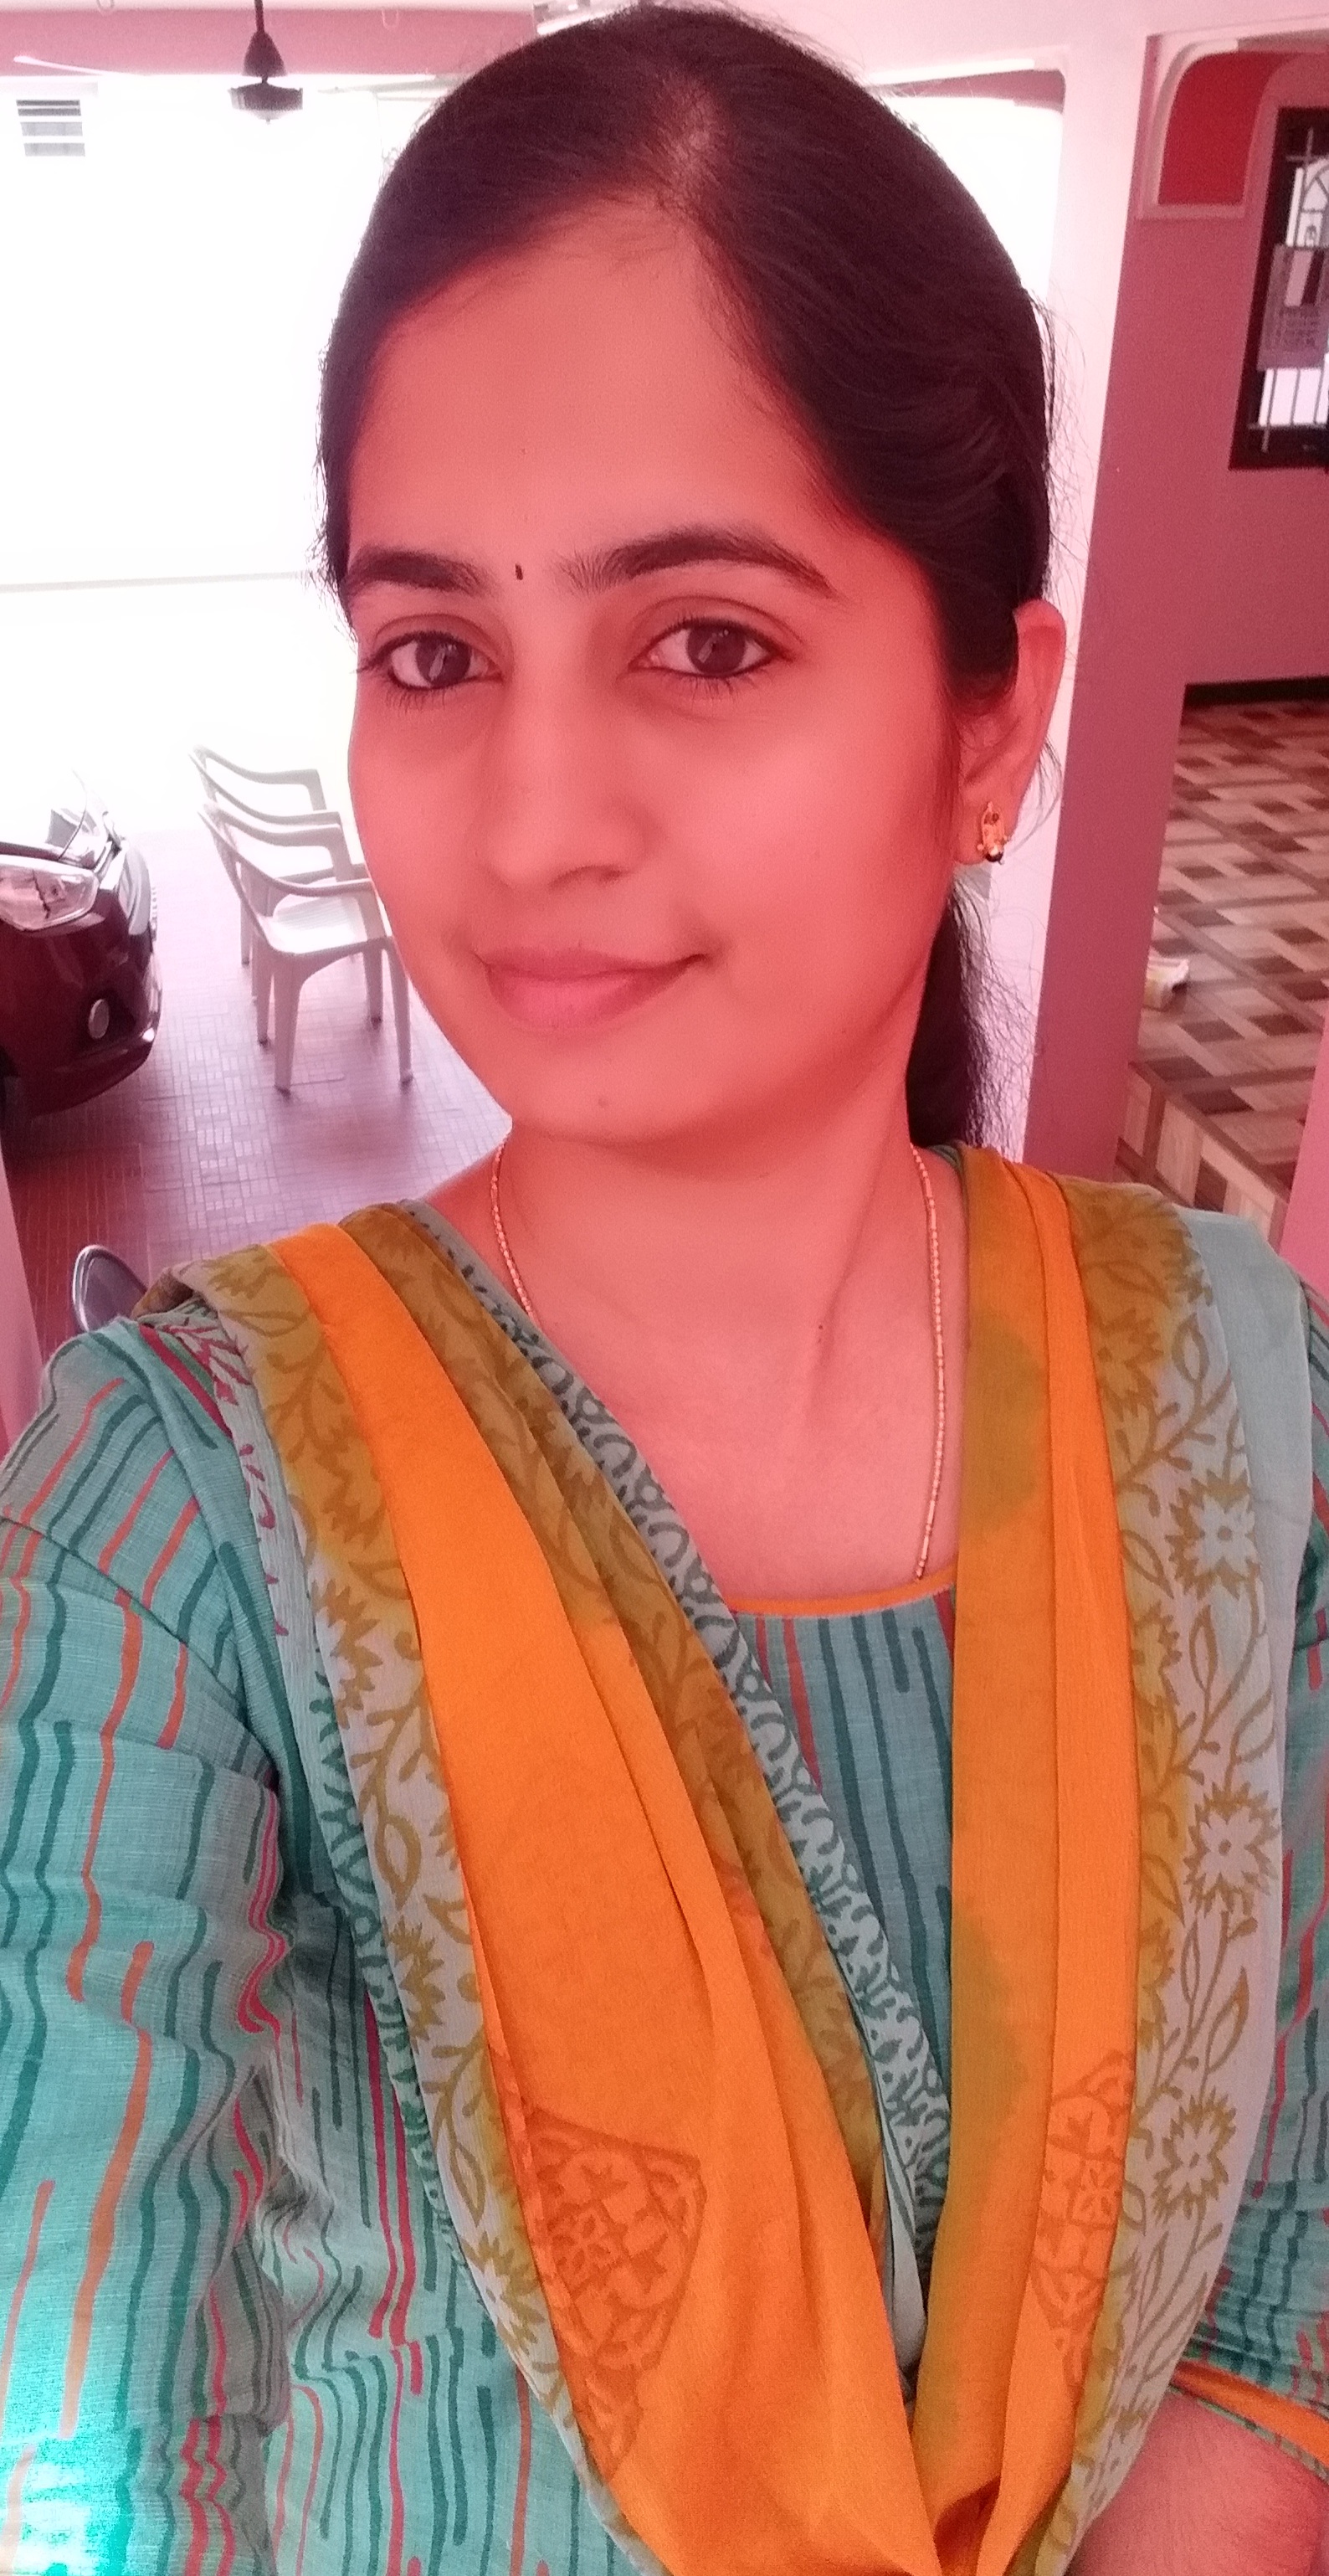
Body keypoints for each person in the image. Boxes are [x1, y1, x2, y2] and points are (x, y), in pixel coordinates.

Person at [0, 10, 1326, 2571]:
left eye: (704, 639)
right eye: (433, 650)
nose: (530, 821)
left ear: (988, 725)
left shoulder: (1232, 1393)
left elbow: (1283, 2257)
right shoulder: (172, 1530)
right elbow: (78, 2419)